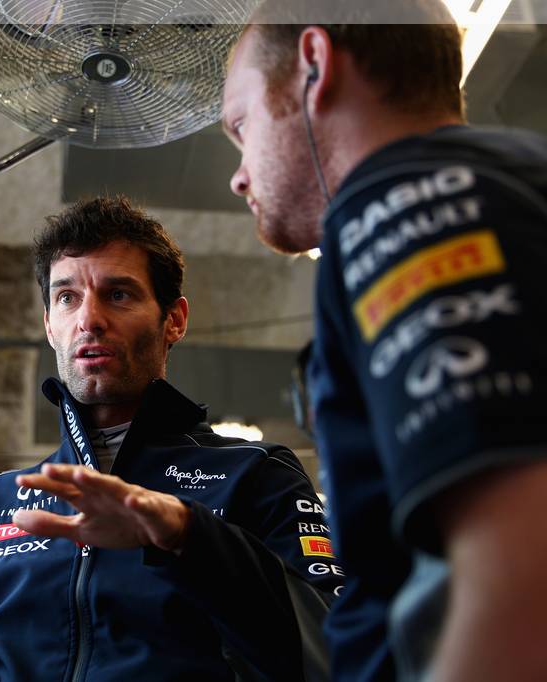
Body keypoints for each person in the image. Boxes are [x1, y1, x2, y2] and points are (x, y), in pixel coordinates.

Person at [222, 1, 547, 679]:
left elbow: (520, 572)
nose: (238, 175)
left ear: (315, 64)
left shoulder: (409, 203)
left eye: (241, 125)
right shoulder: (507, 176)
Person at [0, 196, 341, 681]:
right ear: (49, 326)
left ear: (174, 320)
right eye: (67, 297)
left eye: (118, 294)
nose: (89, 319)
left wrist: (189, 536)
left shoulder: (256, 474)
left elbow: (332, 647)